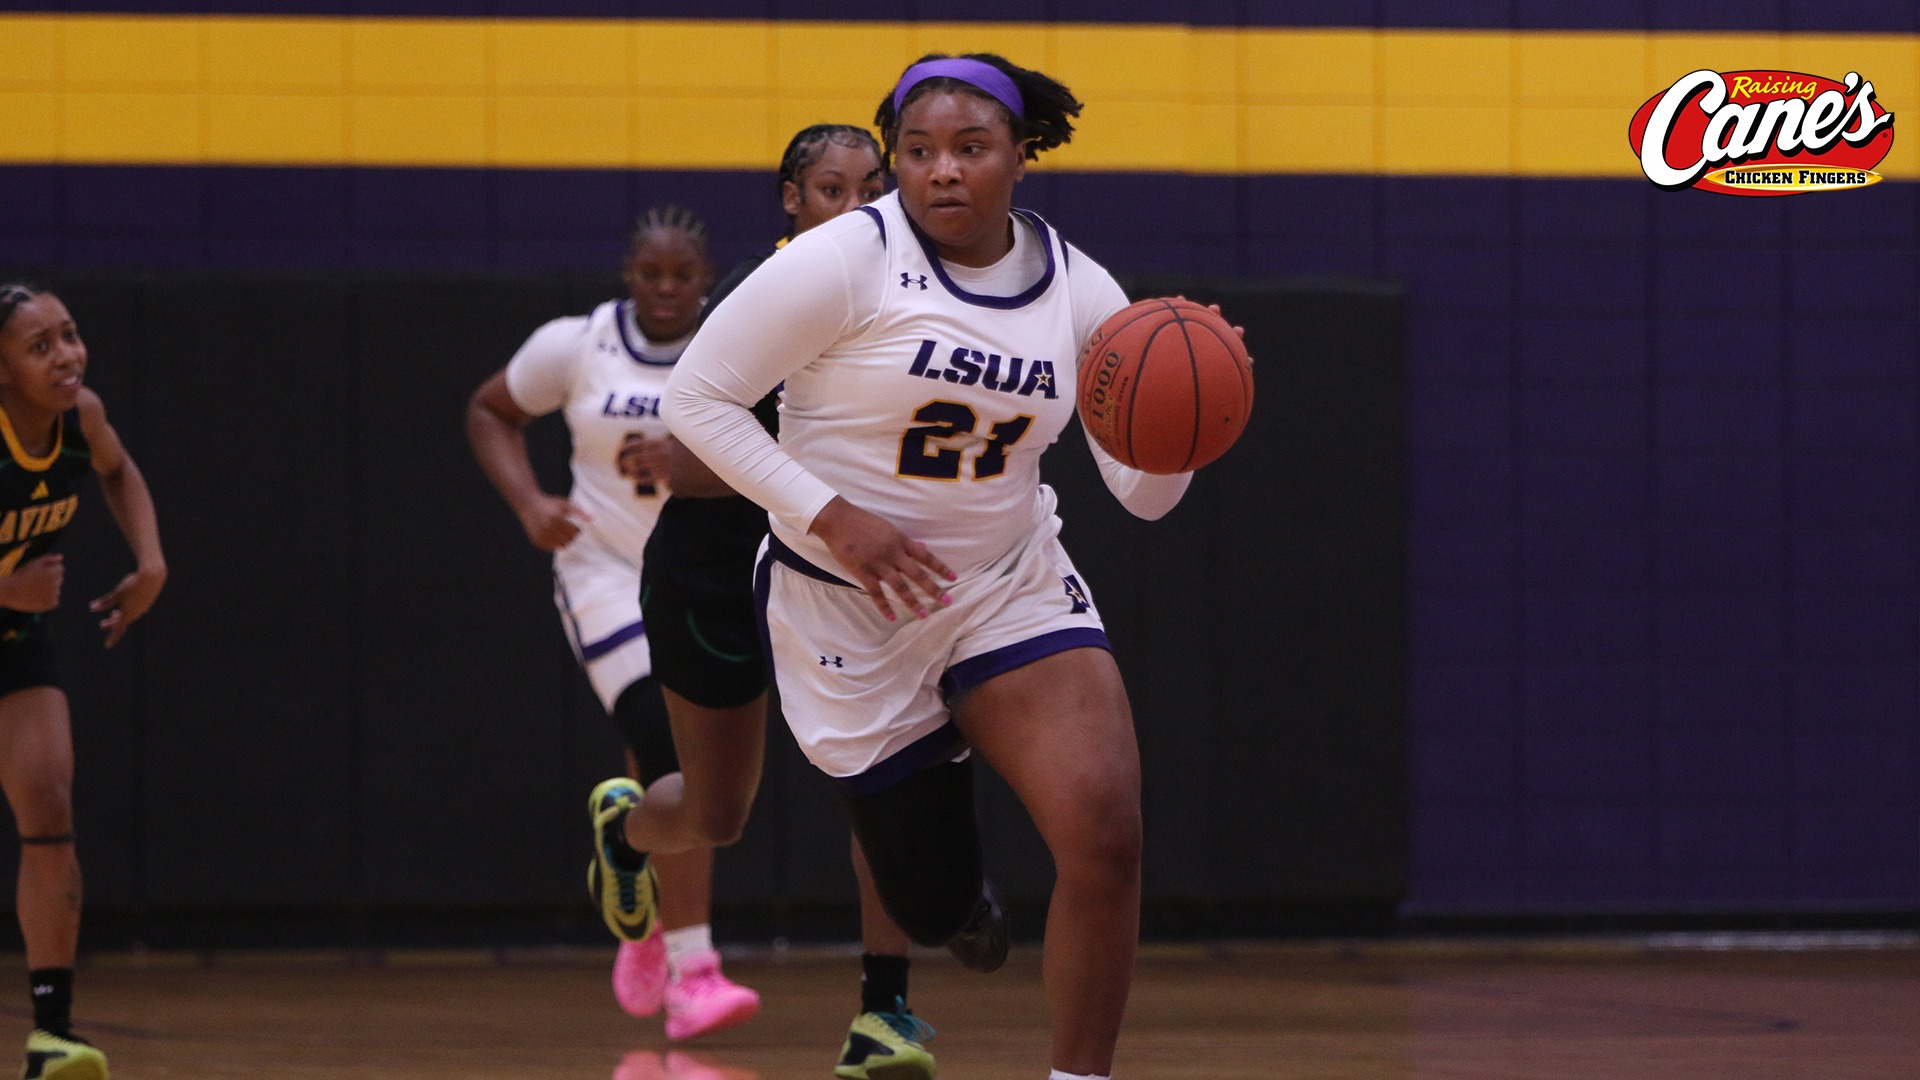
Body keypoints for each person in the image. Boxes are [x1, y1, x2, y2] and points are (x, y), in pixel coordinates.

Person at [652, 54, 1231, 1080]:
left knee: (1103, 830)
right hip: (847, 609)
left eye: (970, 149)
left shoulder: (1081, 289)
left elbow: (1140, 493)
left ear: (1020, 158)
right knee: (928, 903)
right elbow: (694, 401)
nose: (942, 173)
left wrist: (1182, 431)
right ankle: (918, 873)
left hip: (1005, 584)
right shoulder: (844, 259)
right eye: (917, 153)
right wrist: (834, 516)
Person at [589, 124, 937, 1080]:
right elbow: (691, 465)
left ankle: (886, 1012)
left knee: (881, 784)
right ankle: (626, 833)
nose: (860, 203)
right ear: (793, 199)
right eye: (833, 187)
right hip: (715, 574)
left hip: (840, 584)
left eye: (876, 184)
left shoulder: (928, 300)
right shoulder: (768, 293)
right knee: (715, 815)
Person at [465, 209, 762, 1041]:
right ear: (628, 274)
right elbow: (491, 410)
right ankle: (694, 969)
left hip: (702, 574)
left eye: (682, 276)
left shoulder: (743, 347)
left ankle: (639, 906)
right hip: (605, 571)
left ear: (706, 279)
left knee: (688, 769)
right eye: (650, 274)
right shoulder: (577, 344)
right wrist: (529, 503)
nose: (666, 289)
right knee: (670, 750)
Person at [0, 284, 167, 1080]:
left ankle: (52, 1035)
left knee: (50, 806)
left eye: (69, 335)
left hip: (10, 641)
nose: (67, 355)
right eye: (40, 347)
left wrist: (151, 562)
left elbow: (119, 470)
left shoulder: (81, 417)